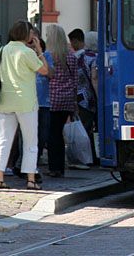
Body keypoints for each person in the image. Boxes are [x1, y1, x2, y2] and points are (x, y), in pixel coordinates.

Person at [0, 20, 49, 190]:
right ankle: (30, 180)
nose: (33, 36)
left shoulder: (2, 50)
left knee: (4, 140)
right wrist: (39, 51)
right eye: (31, 33)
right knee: (31, 142)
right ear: (26, 34)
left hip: (4, 101)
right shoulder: (27, 52)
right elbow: (45, 71)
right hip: (26, 102)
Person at [46, 24, 79, 178]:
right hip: (66, 100)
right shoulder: (71, 56)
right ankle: (61, 167)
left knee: (52, 134)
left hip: (52, 100)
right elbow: (75, 80)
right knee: (59, 133)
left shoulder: (49, 56)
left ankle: (54, 167)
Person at [77, 31, 99, 165]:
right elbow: (95, 78)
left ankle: (85, 157)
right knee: (95, 128)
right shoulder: (95, 57)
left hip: (79, 97)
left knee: (84, 128)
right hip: (91, 97)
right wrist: (99, 97)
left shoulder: (78, 55)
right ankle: (95, 156)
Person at [35, 33, 53, 166]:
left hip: (44, 102)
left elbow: (51, 74)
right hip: (30, 102)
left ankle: (38, 154)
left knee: (43, 132)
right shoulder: (26, 55)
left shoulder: (46, 57)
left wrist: (40, 55)